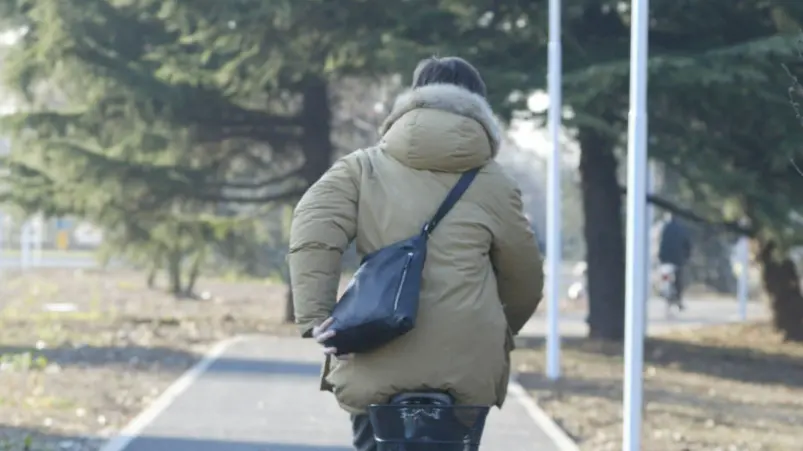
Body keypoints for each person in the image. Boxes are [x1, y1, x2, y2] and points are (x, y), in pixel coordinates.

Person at [287, 56, 544, 450]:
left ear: (413, 99)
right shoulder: (495, 184)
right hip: (467, 360)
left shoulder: (361, 169)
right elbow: (524, 274)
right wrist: (498, 329)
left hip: (374, 346)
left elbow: (313, 230)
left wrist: (316, 317)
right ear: (479, 108)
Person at [658, 213, 693, 308]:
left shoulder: (664, 228)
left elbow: (659, 243)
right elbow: (687, 245)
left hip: (665, 258)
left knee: (664, 275)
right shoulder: (681, 229)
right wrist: (687, 256)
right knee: (679, 279)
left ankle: (663, 290)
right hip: (678, 259)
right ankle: (678, 299)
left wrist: (660, 256)